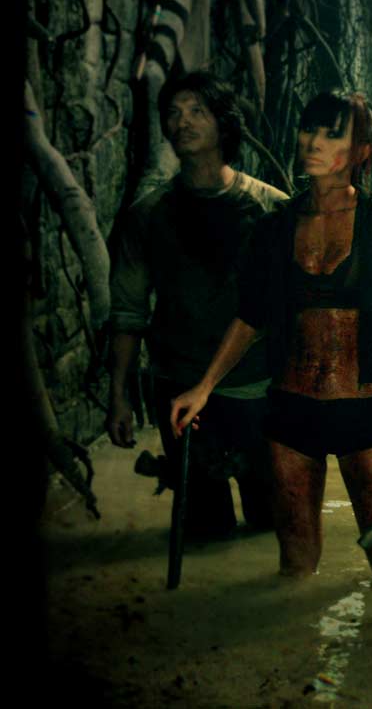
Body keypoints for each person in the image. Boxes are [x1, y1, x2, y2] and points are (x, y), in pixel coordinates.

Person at [170, 90, 372, 592]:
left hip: (365, 410)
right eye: (309, 129)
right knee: (295, 569)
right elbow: (251, 317)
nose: (313, 142)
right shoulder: (274, 227)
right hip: (289, 411)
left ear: (362, 151)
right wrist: (204, 386)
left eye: (332, 134)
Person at [109, 71, 286, 540]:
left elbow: (296, 311)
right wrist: (119, 396)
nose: (182, 122)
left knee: (271, 524)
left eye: (196, 111)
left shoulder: (271, 209)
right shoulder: (148, 215)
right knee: (206, 531)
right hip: (180, 386)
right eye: (173, 113)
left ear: (223, 123)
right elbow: (128, 312)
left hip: (256, 388)